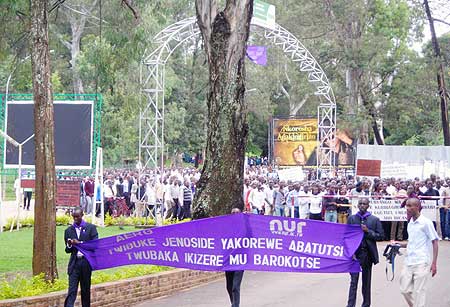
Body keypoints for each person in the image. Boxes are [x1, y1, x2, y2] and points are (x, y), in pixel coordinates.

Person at [394, 198, 439, 307]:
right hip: (409, 261)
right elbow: (411, 242)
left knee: (419, 292)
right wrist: (397, 244)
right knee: (404, 290)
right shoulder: (410, 223)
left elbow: (435, 242)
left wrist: (434, 263)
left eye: (410, 206)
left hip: (421, 261)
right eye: (407, 206)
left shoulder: (426, 223)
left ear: (417, 207)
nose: (407, 208)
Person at [346, 198, 384, 307]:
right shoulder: (352, 218)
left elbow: (381, 236)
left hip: (367, 255)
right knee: (353, 282)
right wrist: (350, 252)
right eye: (360, 203)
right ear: (357, 205)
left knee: (366, 283)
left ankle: (366, 304)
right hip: (355, 255)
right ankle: (350, 305)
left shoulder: (374, 220)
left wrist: (368, 231)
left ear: (368, 206)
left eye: (364, 204)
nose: (362, 205)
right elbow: (347, 237)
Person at [64, 207, 98, 307]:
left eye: (77, 217)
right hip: (74, 264)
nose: (75, 219)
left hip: (86, 263)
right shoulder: (68, 231)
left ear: (82, 215)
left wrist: (80, 243)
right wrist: (70, 244)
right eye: (73, 217)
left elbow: (95, 245)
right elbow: (67, 250)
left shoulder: (91, 228)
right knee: (72, 290)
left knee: (85, 290)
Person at [225, 207, 244, 307]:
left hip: (240, 261)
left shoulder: (245, 227)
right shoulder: (227, 227)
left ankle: (235, 305)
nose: (235, 214)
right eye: (233, 213)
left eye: (237, 213)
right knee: (229, 286)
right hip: (229, 261)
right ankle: (234, 303)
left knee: (235, 286)